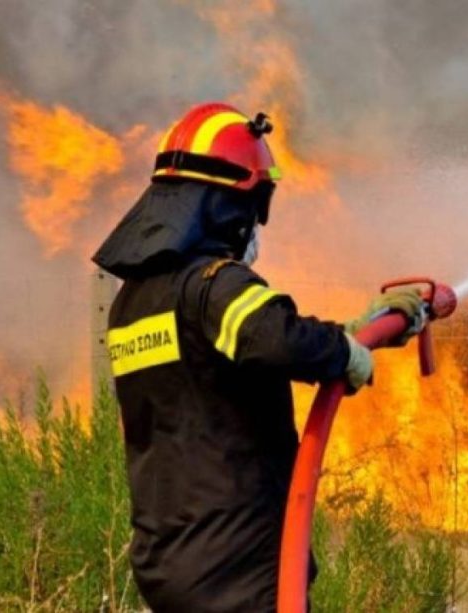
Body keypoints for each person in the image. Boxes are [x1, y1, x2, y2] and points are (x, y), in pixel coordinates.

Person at [92, 102, 423, 611]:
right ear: (229, 207)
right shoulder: (213, 285)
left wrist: (351, 333)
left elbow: (235, 353)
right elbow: (276, 339)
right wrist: (344, 353)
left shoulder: (133, 302)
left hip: (169, 561)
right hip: (238, 562)